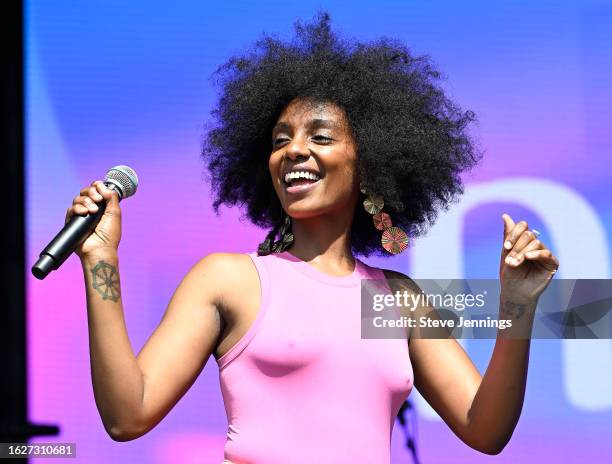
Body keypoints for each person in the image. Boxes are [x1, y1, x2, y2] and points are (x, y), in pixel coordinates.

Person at [66, 12, 559, 463]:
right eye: (281, 140)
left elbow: (486, 429)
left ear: (369, 167)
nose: (295, 151)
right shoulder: (231, 280)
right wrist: (100, 259)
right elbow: (127, 416)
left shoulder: (397, 301)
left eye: (320, 137)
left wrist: (518, 305)